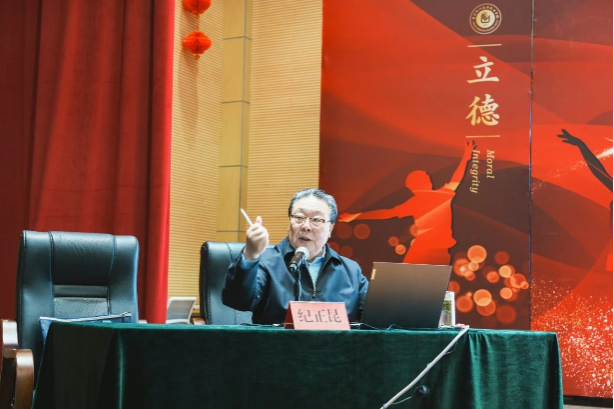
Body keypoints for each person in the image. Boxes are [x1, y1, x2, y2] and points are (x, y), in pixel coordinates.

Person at [222, 188, 369, 325]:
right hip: (277, 344)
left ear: (330, 228)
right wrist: (251, 254)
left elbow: (375, 317)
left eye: (316, 220)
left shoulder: (351, 270)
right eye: (299, 217)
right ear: (289, 223)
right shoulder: (266, 261)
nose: (306, 226)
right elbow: (238, 301)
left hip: (336, 345)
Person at [338, 140, 475, 265]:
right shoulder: (441, 195)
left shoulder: (419, 201)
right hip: (437, 250)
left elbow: (386, 213)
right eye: (426, 177)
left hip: (426, 248)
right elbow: (456, 178)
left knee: (409, 280)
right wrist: (466, 158)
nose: (429, 178)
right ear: (423, 183)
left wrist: (355, 216)